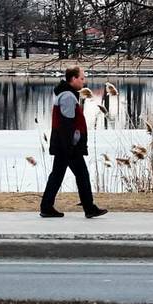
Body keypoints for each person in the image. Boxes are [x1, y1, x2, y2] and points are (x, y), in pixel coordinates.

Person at [40, 66, 107, 218]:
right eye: (82, 78)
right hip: (68, 146)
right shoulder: (68, 97)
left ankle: (46, 207)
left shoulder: (65, 94)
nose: (84, 81)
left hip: (64, 144)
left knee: (58, 175)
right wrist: (72, 144)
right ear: (73, 79)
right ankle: (89, 208)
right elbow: (67, 124)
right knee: (81, 175)